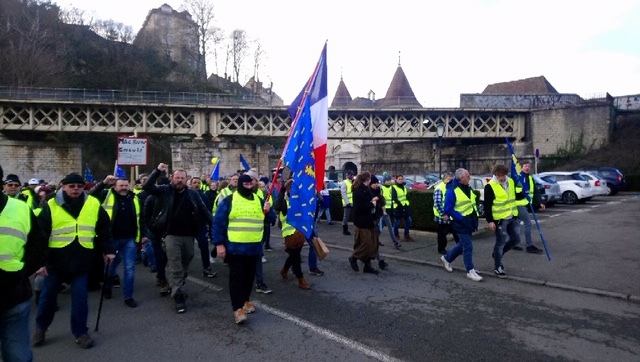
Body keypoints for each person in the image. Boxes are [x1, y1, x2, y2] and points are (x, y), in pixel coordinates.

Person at [33, 173, 115, 349]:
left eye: (79, 186)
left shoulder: (92, 203)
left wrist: (109, 250)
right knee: (47, 298)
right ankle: (41, 328)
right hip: (55, 262)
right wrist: (39, 262)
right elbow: (40, 235)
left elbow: (103, 228)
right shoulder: (51, 204)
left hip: (82, 261)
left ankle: (80, 332)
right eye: (72, 186)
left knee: (80, 299)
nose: (76, 189)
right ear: (63, 186)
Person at [143, 164, 213, 314]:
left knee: (186, 260)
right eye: (177, 178)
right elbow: (147, 187)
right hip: (170, 235)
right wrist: (157, 171)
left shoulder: (193, 194)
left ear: (186, 179)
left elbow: (204, 210)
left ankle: (177, 283)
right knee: (175, 264)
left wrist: (215, 226)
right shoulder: (164, 191)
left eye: (182, 178)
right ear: (172, 179)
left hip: (189, 235)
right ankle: (178, 295)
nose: (180, 180)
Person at [212, 174, 276, 324]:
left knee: (249, 278)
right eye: (245, 184)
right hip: (234, 248)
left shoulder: (259, 200)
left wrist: (269, 209)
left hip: (253, 248)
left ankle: (246, 300)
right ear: (240, 185)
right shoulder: (230, 200)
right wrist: (219, 244)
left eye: (250, 184)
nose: (248, 187)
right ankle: (237, 308)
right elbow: (218, 223)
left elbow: (270, 220)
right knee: (236, 278)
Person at [0, 165, 48, 362]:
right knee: (17, 353)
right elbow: (39, 246)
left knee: (17, 354)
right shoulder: (21, 208)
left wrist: (21, 272)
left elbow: (39, 246)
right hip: (16, 290)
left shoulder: (21, 208)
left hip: (14, 294)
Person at [90, 175, 144, 307]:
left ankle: (128, 296)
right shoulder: (106, 195)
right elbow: (91, 195)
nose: (124, 188)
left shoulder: (134, 198)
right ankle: (107, 287)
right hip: (111, 239)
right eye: (121, 185)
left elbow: (140, 218)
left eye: (126, 185)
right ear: (115, 187)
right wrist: (104, 182)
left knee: (129, 268)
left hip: (129, 239)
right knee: (110, 268)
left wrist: (143, 234)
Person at [439, 168, 482, 282]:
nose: (470, 178)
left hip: (469, 220)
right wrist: (460, 217)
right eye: (468, 176)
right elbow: (448, 209)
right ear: (461, 178)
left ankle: (447, 258)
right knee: (468, 246)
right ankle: (470, 270)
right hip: (460, 222)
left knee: (462, 244)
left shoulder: (467, 187)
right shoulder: (452, 190)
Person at [484, 164, 520, 278]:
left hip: (512, 216)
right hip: (500, 220)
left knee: (516, 239)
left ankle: (497, 255)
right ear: (495, 175)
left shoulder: (510, 182)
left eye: (503, 175)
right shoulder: (490, 186)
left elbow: (514, 196)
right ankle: (498, 266)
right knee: (500, 242)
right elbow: (487, 206)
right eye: (499, 175)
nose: (501, 178)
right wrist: (490, 221)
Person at [274, 179, 311, 290]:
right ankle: (301, 279)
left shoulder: (299, 201)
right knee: (296, 257)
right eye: (292, 188)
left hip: (300, 232)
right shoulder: (285, 201)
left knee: (294, 255)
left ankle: (284, 270)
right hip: (290, 233)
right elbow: (277, 206)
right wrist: (282, 190)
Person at [347, 172, 380, 274]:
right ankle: (354, 257)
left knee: (373, 244)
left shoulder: (367, 189)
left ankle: (367, 265)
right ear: (367, 179)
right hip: (362, 221)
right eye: (370, 178)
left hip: (370, 220)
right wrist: (371, 204)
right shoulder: (358, 191)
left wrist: (374, 200)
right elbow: (358, 208)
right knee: (366, 244)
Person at [188, 176, 217, 278]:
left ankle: (207, 268)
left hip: (201, 225)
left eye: (198, 183)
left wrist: (211, 225)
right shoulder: (186, 195)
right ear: (190, 184)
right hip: (188, 226)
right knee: (187, 250)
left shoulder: (204, 196)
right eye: (194, 183)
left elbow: (207, 211)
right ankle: (183, 268)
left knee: (204, 246)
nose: (197, 184)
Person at [514, 161, 544, 254]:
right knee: (527, 223)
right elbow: (516, 193)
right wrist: (523, 193)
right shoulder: (518, 178)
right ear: (521, 167)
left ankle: (513, 243)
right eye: (525, 166)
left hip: (526, 204)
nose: (527, 168)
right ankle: (529, 245)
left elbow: (535, 191)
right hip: (519, 204)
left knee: (516, 224)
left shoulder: (530, 178)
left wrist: (539, 203)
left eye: (529, 166)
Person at [433, 172, 459, 254]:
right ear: (444, 179)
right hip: (443, 216)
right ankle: (441, 249)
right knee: (442, 234)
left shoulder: (451, 187)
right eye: (449, 180)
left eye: (452, 180)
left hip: (451, 215)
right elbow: (437, 203)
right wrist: (443, 214)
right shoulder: (440, 188)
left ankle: (460, 247)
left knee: (456, 232)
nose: (451, 181)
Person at [369, 175, 389, 270]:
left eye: (377, 183)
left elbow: (382, 202)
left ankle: (361, 257)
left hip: (377, 217)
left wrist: (380, 193)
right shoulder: (368, 192)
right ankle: (379, 260)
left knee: (372, 241)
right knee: (372, 241)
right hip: (370, 219)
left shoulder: (377, 191)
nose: (377, 184)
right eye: (375, 183)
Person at [379, 174, 401, 249]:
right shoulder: (381, 188)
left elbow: (393, 198)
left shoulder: (392, 188)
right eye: (387, 180)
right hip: (384, 210)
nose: (389, 182)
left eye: (389, 180)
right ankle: (395, 243)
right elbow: (381, 200)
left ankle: (374, 240)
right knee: (390, 228)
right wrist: (383, 210)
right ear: (384, 181)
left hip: (390, 210)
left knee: (380, 227)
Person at [391, 175, 414, 241]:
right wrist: (400, 205)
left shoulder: (404, 187)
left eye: (402, 179)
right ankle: (396, 235)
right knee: (397, 222)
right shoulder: (394, 187)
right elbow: (394, 198)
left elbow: (406, 196)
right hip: (398, 207)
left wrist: (406, 204)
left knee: (409, 220)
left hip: (405, 206)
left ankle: (406, 235)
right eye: (399, 179)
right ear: (396, 180)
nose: (401, 180)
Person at [340, 170, 355, 235]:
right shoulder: (344, 182)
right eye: (351, 175)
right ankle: (345, 230)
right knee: (346, 217)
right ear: (347, 175)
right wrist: (347, 202)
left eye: (352, 175)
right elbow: (343, 193)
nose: (352, 176)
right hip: (347, 203)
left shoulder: (352, 182)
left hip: (352, 202)